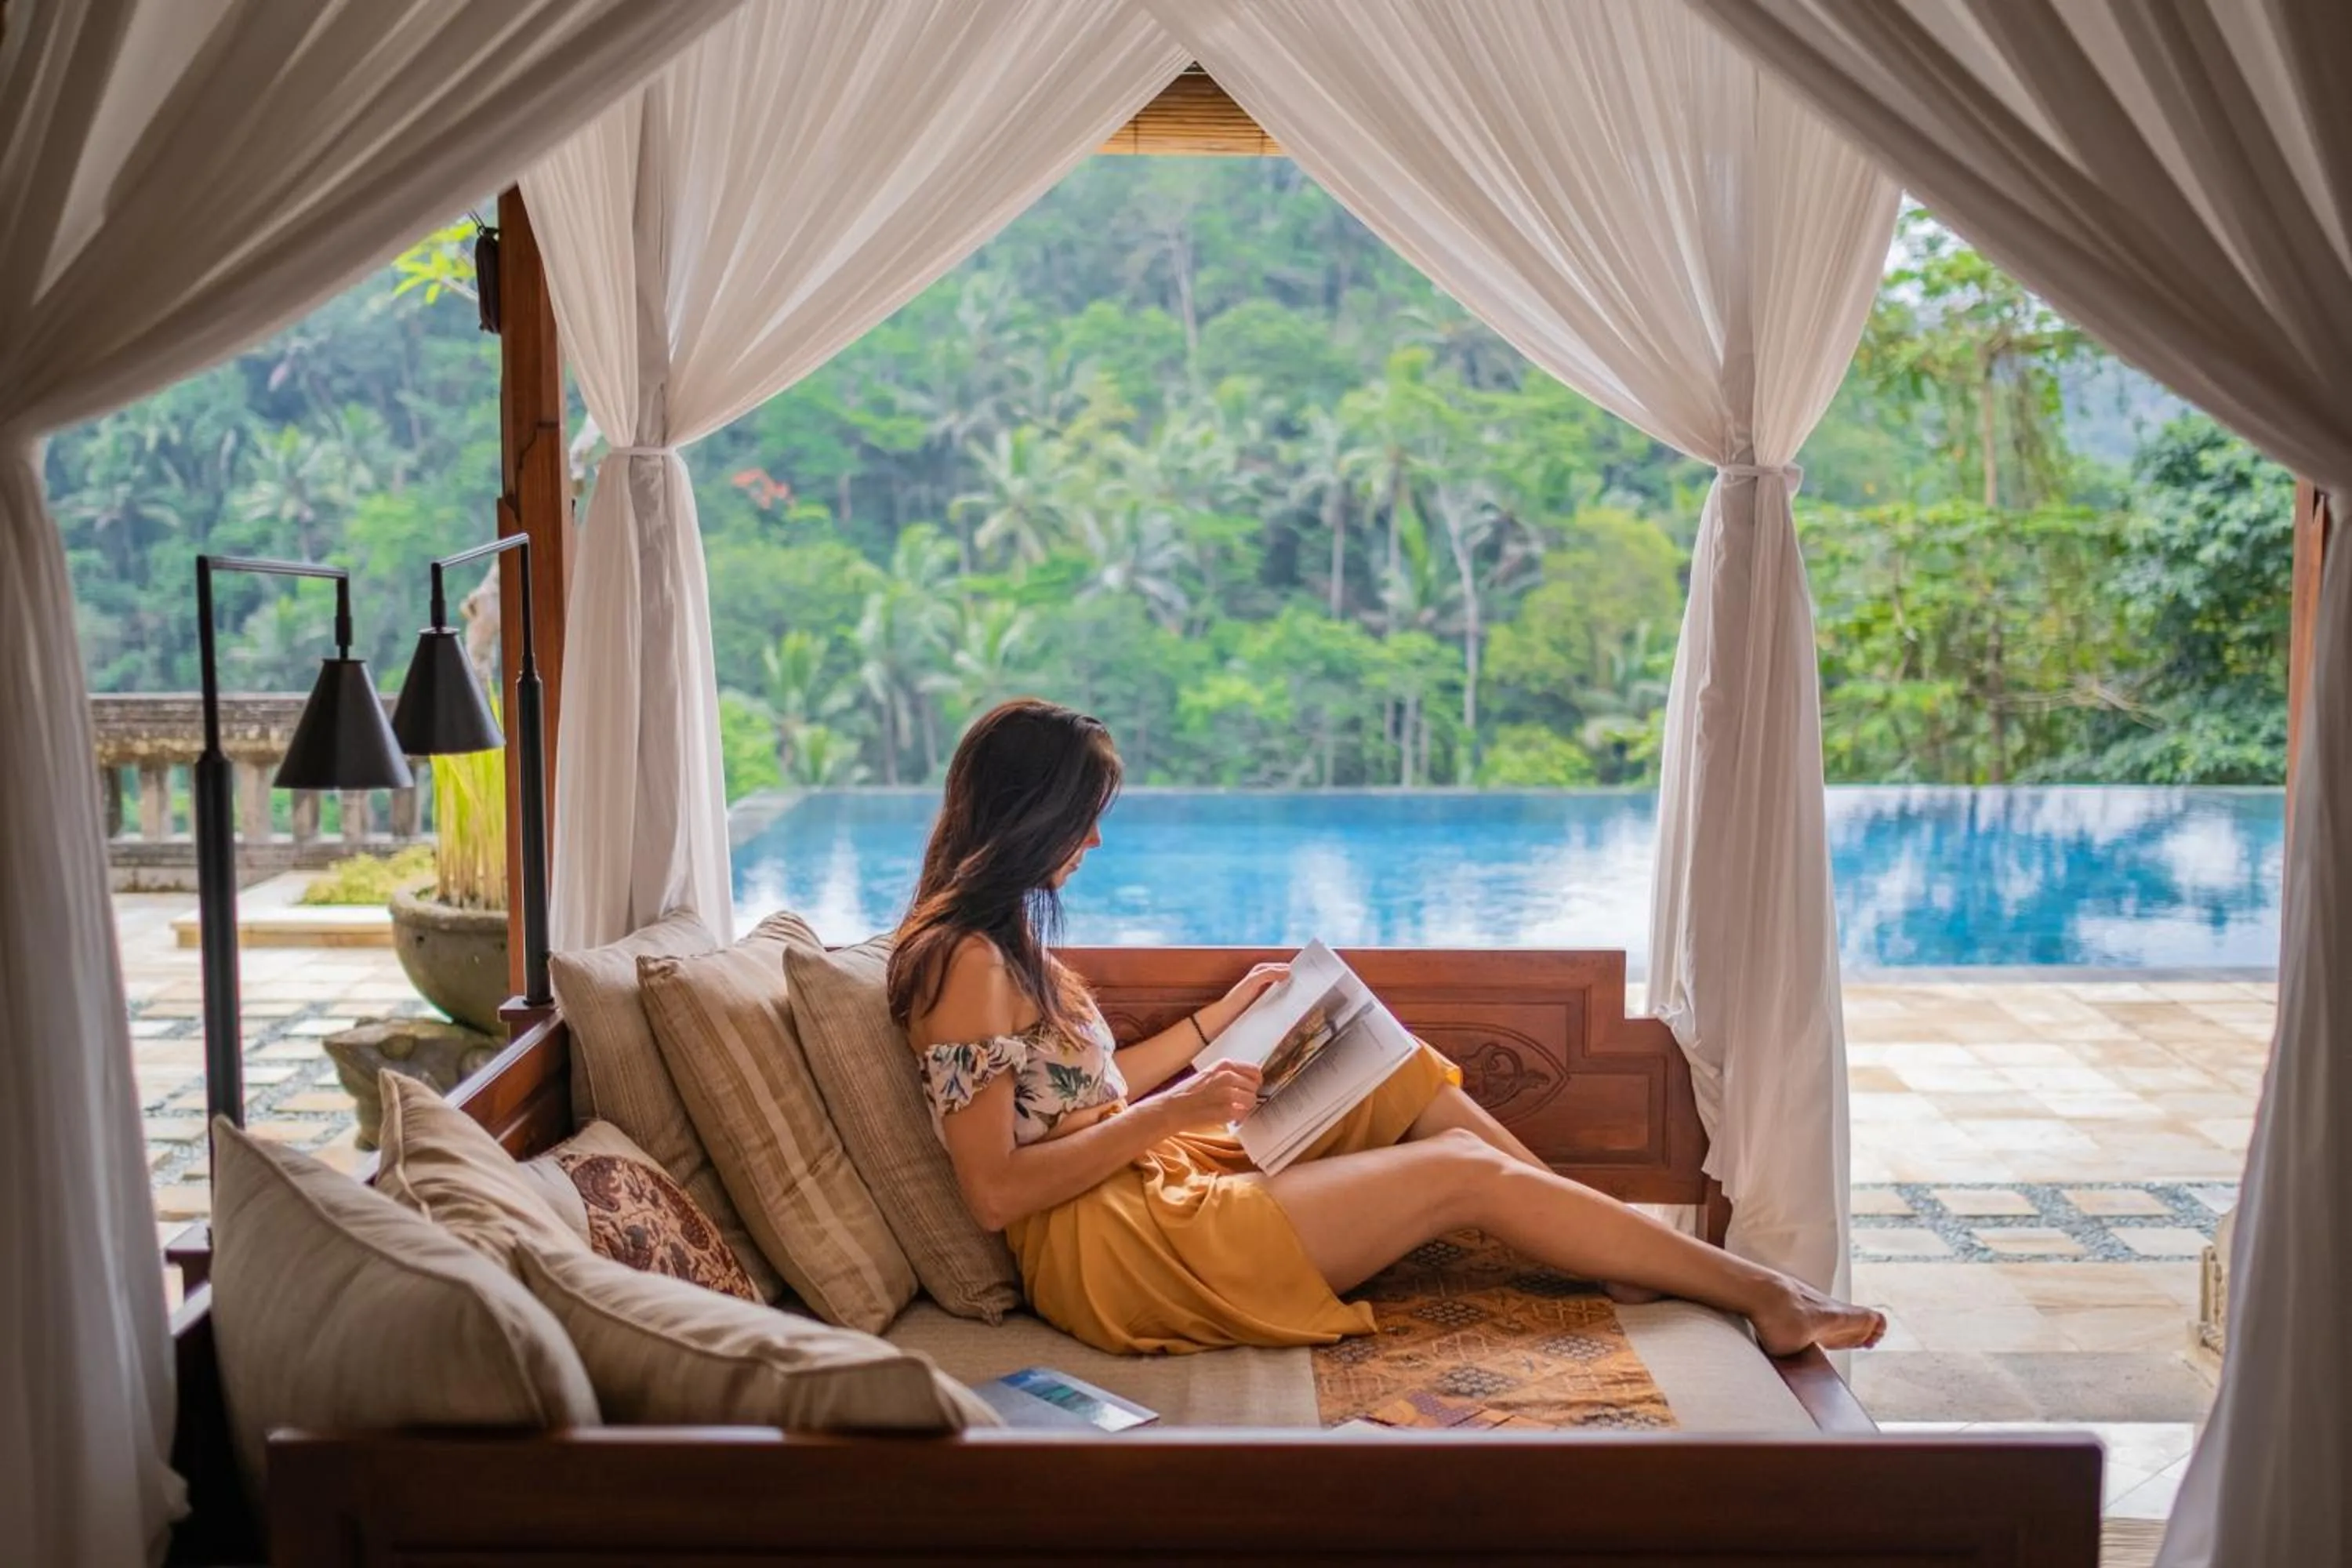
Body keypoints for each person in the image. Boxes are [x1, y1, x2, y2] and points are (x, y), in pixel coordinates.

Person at [890, 697, 1886, 1358]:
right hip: (1114, 1251)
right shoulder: (964, 963)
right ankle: (1760, 1292)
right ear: (1030, 813)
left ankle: (1619, 1254)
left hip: (1140, 1182)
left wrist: (1217, 1019)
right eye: (1085, 815)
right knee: (1463, 1171)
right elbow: (995, 1191)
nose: (1096, 838)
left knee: (1401, 1070)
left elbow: (1085, 1092)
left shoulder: (1000, 937)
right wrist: (1177, 1112)